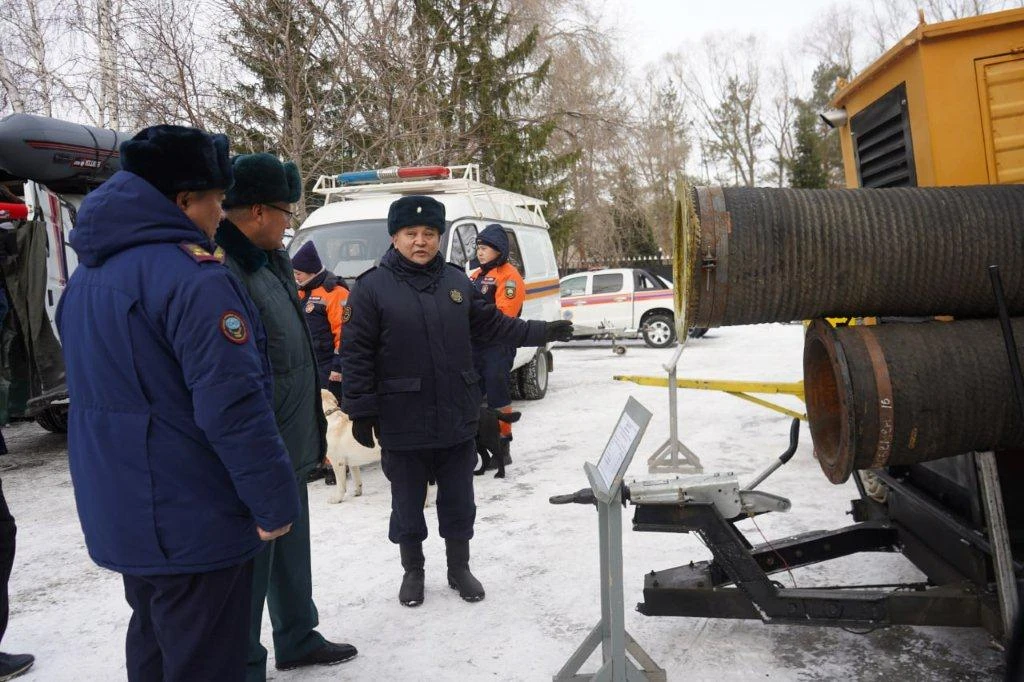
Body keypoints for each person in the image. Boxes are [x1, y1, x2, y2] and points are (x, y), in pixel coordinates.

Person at [55, 125, 300, 682]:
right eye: (217, 200)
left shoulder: (90, 274)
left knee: (154, 645)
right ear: (185, 200)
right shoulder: (194, 278)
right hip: (193, 513)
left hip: (126, 509)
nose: (221, 214)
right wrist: (273, 501)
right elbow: (233, 405)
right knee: (204, 659)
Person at [340, 195, 573, 608]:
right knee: (407, 504)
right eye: (411, 233)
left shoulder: (457, 282)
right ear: (394, 237)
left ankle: (458, 568)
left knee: (459, 500)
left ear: (439, 237)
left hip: (456, 413)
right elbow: (356, 354)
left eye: (429, 233)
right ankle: (413, 571)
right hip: (402, 418)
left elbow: (495, 325)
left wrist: (542, 331)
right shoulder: (371, 288)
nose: (421, 241)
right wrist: (360, 409)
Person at [214, 153, 357, 680]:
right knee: (254, 563)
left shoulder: (271, 260)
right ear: (257, 211)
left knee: (293, 553)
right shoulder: (225, 268)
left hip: (291, 437)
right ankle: (243, 662)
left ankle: (297, 636)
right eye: (284, 212)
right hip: (260, 444)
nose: (287, 223)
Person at [468, 223, 526, 465]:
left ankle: (503, 446)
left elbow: (505, 316)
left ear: (498, 249)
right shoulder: (475, 275)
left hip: (498, 346)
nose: (480, 252)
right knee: (470, 395)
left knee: (498, 397)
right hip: (475, 346)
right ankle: (473, 443)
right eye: (478, 248)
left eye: (485, 248)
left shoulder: (510, 277)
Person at [292, 241, 349, 485]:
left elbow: (344, 333)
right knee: (314, 417)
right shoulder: (301, 292)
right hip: (309, 365)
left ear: (311, 271)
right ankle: (319, 460)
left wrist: (338, 366)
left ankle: (337, 463)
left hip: (329, 365)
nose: (295, 277)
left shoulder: (335, 292)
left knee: (333, 417)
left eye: (299, 273)